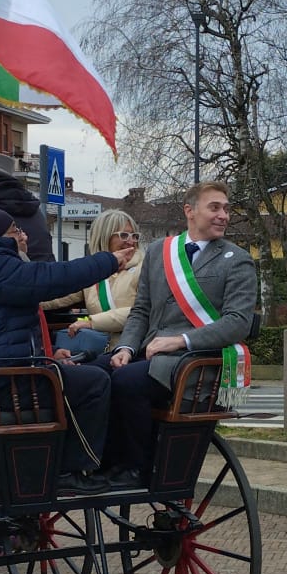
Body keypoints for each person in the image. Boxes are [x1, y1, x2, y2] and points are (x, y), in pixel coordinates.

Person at [0, 200, 134, 483]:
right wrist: (108, 261)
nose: (22, 236)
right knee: (94, 382)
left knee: (72, 373)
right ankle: (74, 470)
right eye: (14, 231)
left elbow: (1, 324)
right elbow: (51, 278)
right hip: (2, 387)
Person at [105, 181, 258, 482]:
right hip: (148, 354)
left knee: (125, 381)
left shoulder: (237, 259)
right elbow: (141, 311)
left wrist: (181, 340)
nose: (223, 216)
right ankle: (99, 463)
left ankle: (137, 467)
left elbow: (238, 321)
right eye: (214, 208)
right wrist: (124, 348)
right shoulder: (160, 252)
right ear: (189, 211)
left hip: (192, 362)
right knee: (94, 373)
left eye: (226, 209)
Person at [43, 211, 144, 359]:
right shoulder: (94, 271)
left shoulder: (145, 268)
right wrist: (28, 297)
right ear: (104, 235)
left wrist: (91, 322)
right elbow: (59, 294)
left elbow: (141, 313)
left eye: (134, 236)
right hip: (99, 350)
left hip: (133, 350)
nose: (131, 241)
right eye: (124, 235)